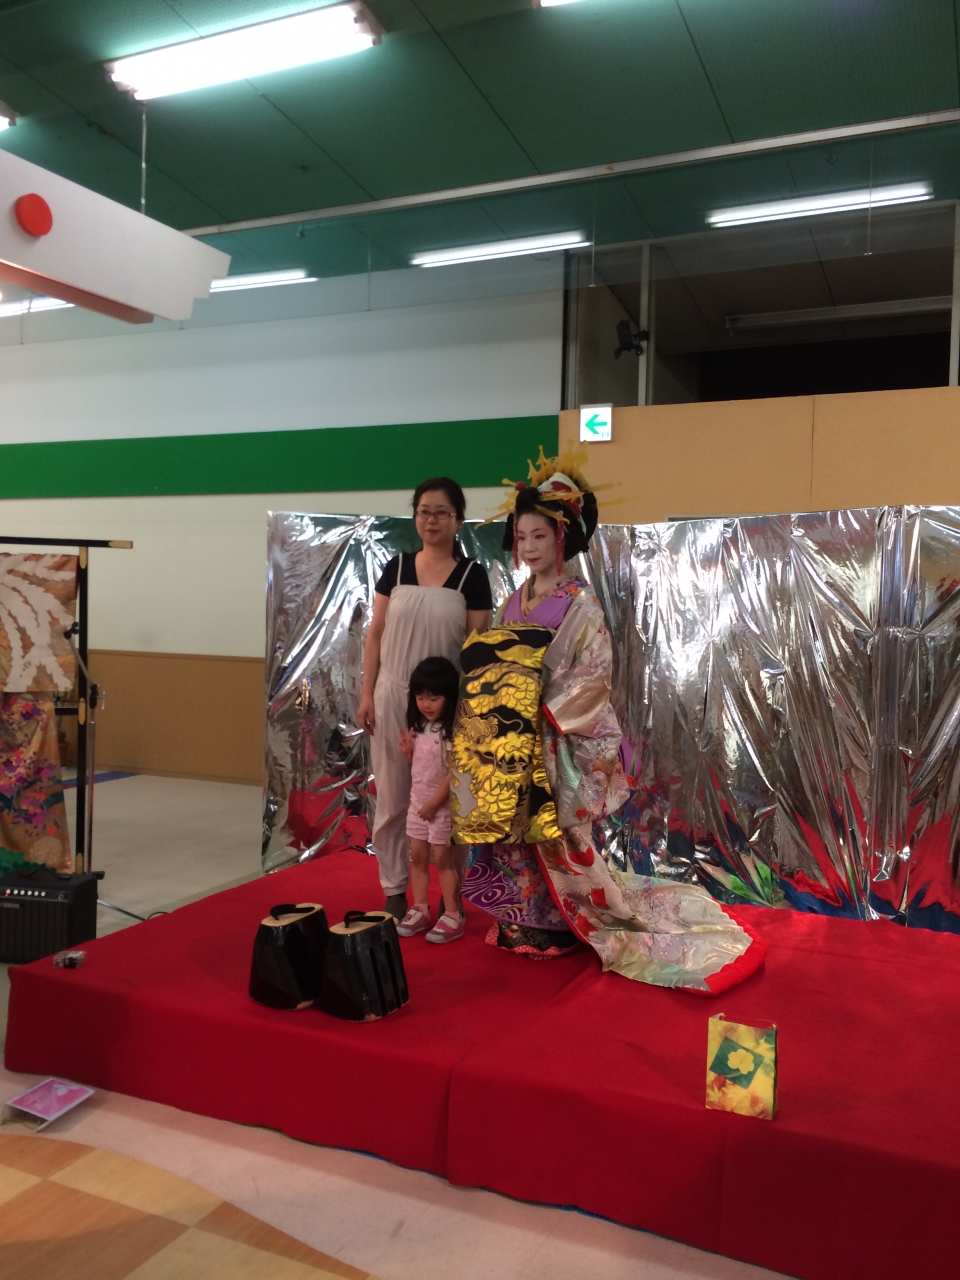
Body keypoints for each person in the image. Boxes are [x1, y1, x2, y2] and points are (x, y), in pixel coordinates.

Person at [450, 447, 764, 993]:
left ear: (562, 538)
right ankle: (524, 917)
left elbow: (591, 678)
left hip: (554, 735)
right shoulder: (511, 603)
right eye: (521, 537)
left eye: (539, 536)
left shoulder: (581, 606)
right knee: (514, 831)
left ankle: (568, 920)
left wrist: (540, 713)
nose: (529, 547)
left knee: (559, 831)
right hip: (514, 736)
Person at [359, 478, 492, 919]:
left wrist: (470, 710)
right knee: (393, 798)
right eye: (423, 511)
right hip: (393, 696)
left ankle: (450, 896)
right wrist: (367, 693)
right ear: (415, 516)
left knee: (450, 800)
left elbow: (477, 647)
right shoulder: (396, 568)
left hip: (448, 708)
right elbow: (375, 634)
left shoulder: (472, 576)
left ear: (458, 520)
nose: (431, 520)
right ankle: (396, 888)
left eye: (441, 512)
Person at [395, 657, 465, 944]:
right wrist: (408, 754)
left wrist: (434, 804)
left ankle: (452, 914)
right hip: (418, 804)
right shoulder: (420, 727)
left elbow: (454, 773)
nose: (426, 704)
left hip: (441, 807)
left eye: (434, 698)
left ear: (448, 698)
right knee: (418, 857)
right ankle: (420, 908)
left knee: (443, 860)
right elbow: (421, 769)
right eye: (421, 697)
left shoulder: (452, 732)